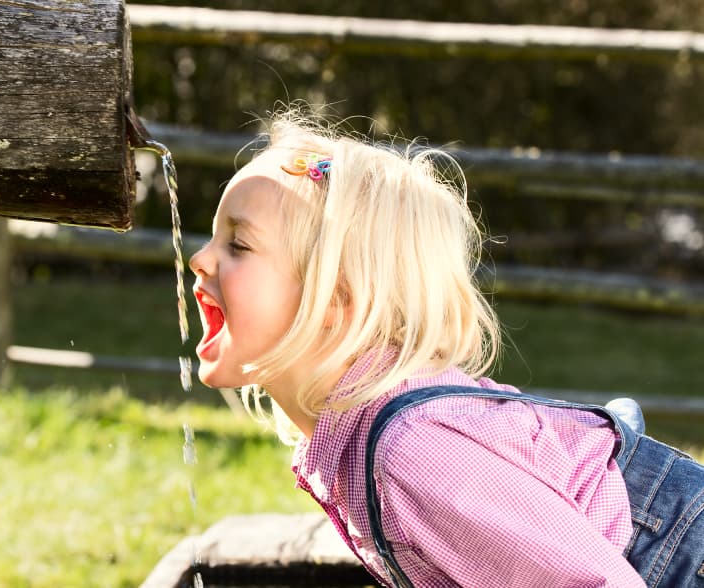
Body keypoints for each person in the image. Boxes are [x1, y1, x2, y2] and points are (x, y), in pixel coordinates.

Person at [187, 108, 704, 587]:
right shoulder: (359, 435)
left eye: (239, 244)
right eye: (213, 236)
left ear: (337, 297)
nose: (200, 258)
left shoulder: (411, 452)